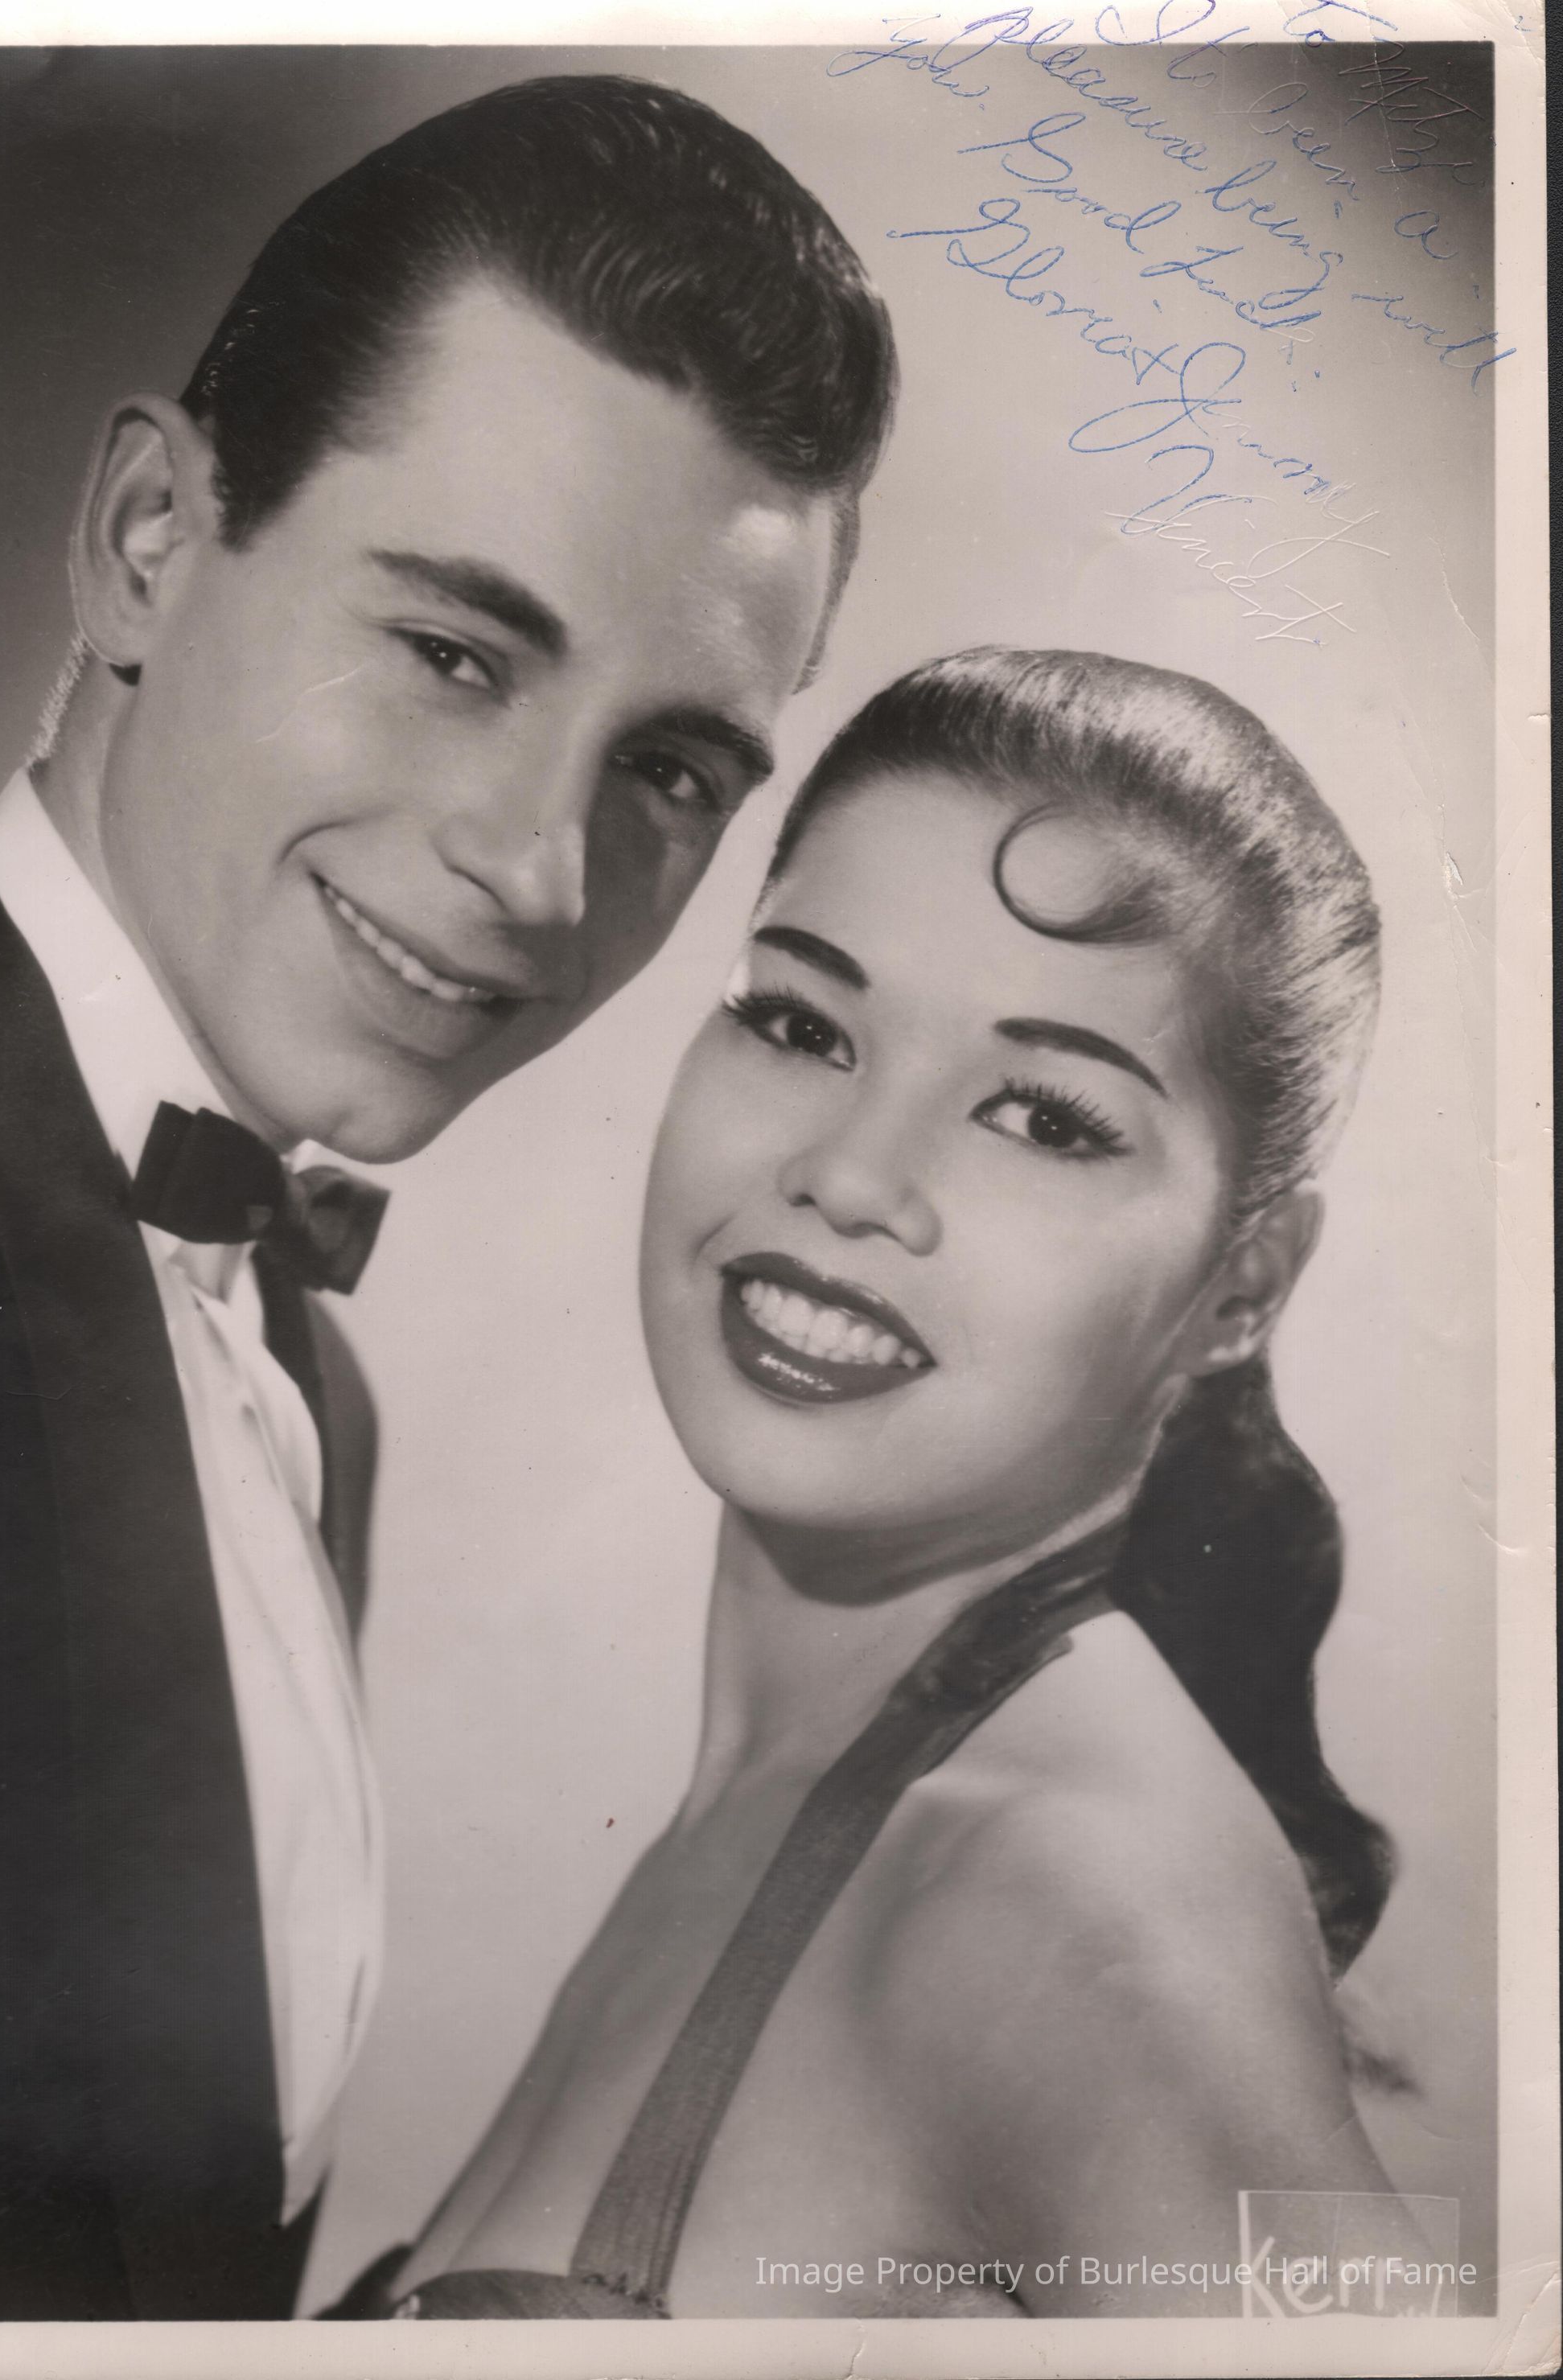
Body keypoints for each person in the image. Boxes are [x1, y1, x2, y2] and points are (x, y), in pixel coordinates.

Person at [0, 74, 895, 2320]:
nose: (541, 875)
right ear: (148, 541)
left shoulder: (305, 1378)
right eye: (455, 654)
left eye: (668, 770)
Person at [344, 647, 1406, 2320]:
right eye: (800, 1022)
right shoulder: (793, 1796)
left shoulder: (1063, 1891)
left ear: (1246, 1281)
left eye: (1043, 1117)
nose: (849, 1174)